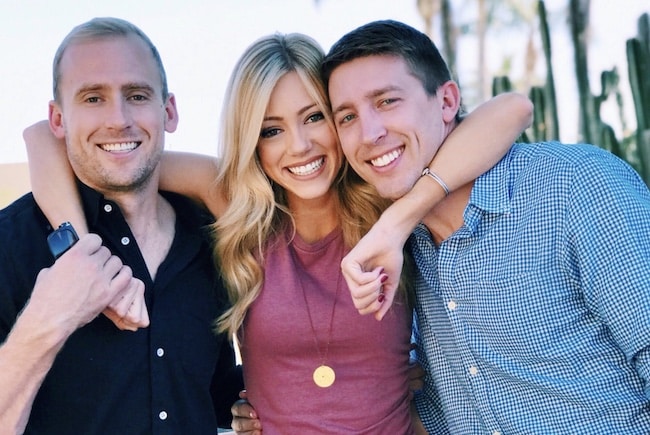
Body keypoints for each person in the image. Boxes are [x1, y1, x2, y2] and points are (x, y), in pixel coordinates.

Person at [26, 31, 532, 434]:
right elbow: (47, 143)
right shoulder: (236, 205)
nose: (300, 146)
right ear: (252, 143)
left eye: (315, 117)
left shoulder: (385, 193)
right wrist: (81, 255)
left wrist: (398, 220)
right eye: (271, 130)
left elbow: (513, 110)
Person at [323, 19, 650, 433]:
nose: (369, 133)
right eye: (347, 117)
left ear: (447, 102)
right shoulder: (402, 249)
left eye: (387, 101)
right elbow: (444, 409)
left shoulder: (573, 186)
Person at [0, 17, 245, 434]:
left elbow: (210, 395)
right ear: (58, 120)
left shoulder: (211, 240)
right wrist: (48, 318)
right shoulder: (10, 245)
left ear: (168, 110)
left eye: (136, 95)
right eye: (92, 98)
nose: (118, 119)